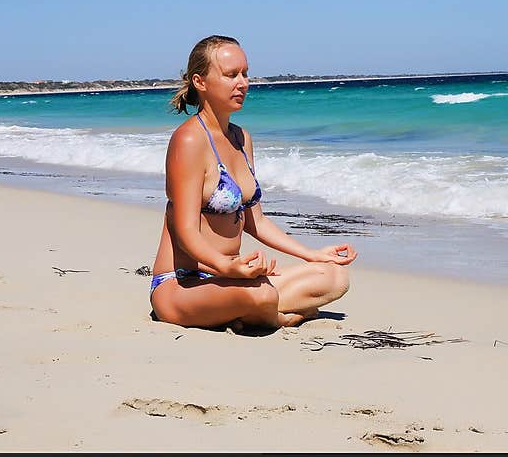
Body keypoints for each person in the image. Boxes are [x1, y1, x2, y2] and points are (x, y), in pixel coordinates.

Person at [149, 35, 358, 330]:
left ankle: (253, 310)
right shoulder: (189, 140)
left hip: (234, 278)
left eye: (245, 73)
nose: (243, 83)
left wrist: (311, 254)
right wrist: (226, 266)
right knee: (261, 294)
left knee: (334, 277)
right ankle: (276, 315)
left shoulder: (241, 138)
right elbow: (185, 232)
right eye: (231, 74)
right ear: (201, 81)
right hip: (183, 285)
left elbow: (255, 221)